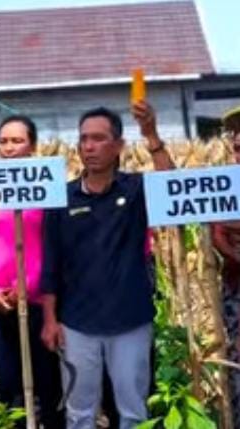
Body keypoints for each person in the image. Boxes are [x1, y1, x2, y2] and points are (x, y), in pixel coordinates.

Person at [40, 103, 174, 429]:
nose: (89, 146)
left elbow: (173, 188)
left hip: (131, 322)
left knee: (132, 411)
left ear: (118, 146)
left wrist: (152, 134)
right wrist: (49, 319)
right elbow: (51, 261)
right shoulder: (60, 197)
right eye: (84, 139)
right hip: (76, 325)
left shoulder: (136, 190)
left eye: (99, 138)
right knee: (79, 413)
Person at [0, 115, 65, 428]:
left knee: (49, 390)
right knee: (12, 392)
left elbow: (57, 246)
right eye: (4, 141)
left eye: (17, 141)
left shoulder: (49, 189)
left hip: (40, 305)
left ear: (33, 145)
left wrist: (28, 285)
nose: (9, 148)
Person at [213, 107, 240, 428]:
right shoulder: (220, 184)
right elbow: (218, 233)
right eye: (234, 132)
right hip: (236, 293)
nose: (237, 138)